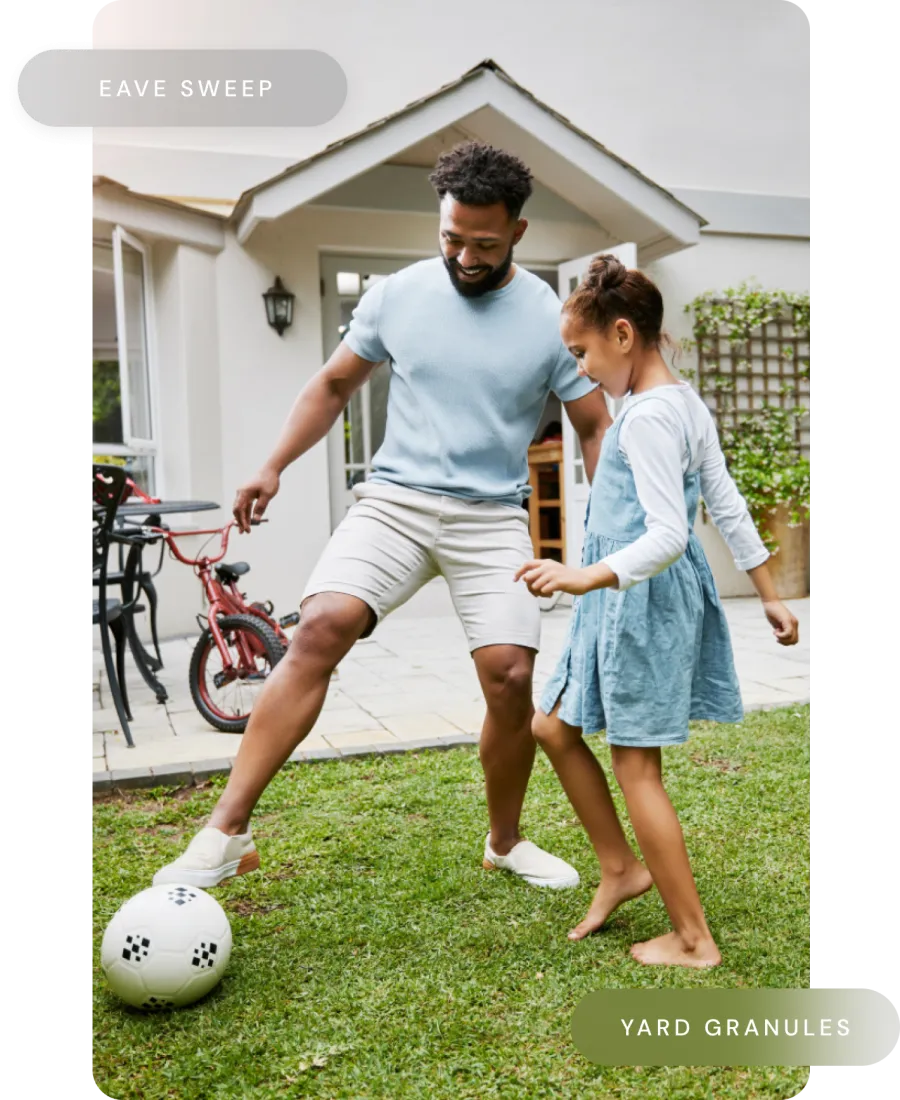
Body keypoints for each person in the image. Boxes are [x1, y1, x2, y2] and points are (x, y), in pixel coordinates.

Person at [153, 141, 613, 892]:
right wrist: (272, 464)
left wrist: (602, 535)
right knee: (323, 625)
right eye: (451, 237)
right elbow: (333, 384)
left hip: (490, 515)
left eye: (484, 243)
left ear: (518, 235)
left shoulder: (549, 318)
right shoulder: (398, 293)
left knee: (509, 675)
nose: (464, 255)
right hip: (395, 502)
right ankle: (225, 832)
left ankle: (504, 840)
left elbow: (592, 425)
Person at [515, 254, 800, 969]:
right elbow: (726, 503)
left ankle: (695, 939)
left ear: (621, 334)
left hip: (635, 595)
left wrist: (582, 577)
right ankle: (621, 868)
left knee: (637, 767)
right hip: (626, 596)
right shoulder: (682, 400)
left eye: (580, 353)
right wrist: (770, 594)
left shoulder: (644, 418)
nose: (578, 371)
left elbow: (671, 533)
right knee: (551, 723)